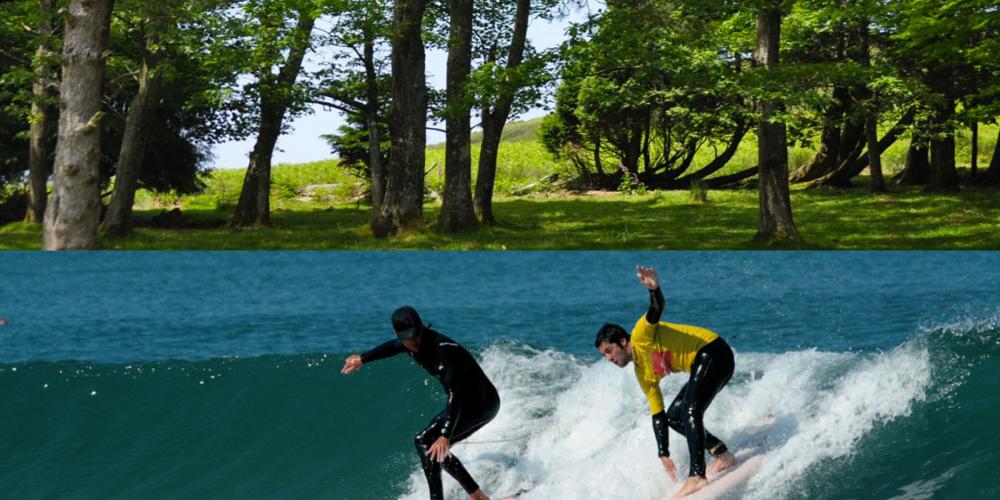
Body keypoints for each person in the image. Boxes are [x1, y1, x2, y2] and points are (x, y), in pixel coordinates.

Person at [594, 266, 737, 498]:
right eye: (604, 356)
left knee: (691, 409)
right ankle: (722, 454)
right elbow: (658, 415)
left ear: (622, 341)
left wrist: (654, 289)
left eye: (610, 351)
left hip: (713, 352)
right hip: (702, 364)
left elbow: (656, 308)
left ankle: (697, 476)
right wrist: (663, 452)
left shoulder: (640, 335)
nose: (609, 359)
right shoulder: (642, 374)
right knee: (674, 416)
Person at [341, 306, 500, 500]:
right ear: (398, 334)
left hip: (482, 404)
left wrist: (445, 435)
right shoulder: (405, 343)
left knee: (430, 442)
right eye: (407, 337)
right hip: (465, 403)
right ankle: (478, 497)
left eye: (416, 335)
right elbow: (392, 347)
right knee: (429, 445)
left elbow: (455, 393)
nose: (414, 342)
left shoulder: (443, 350)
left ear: (421, 327)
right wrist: (362, 359)